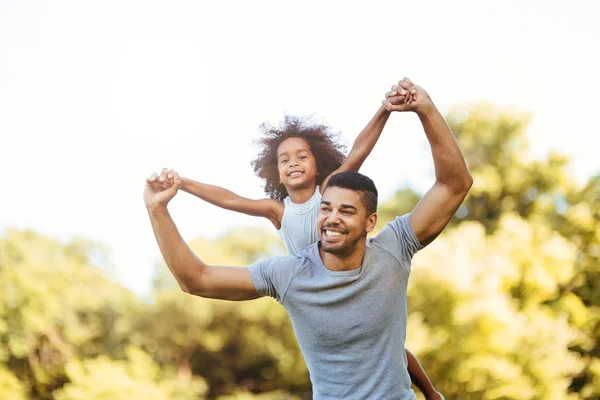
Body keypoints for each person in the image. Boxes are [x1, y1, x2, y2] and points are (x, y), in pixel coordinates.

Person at [145, 81, 472, 399]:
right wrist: (159, 207)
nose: (331, 217)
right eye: (326, 208)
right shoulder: (288, 271)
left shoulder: (392, 248)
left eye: (346, 210)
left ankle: (432, 392)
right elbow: (197, 279)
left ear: (370, 221)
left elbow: (453, 184)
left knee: (398, 350)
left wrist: (422, 108)